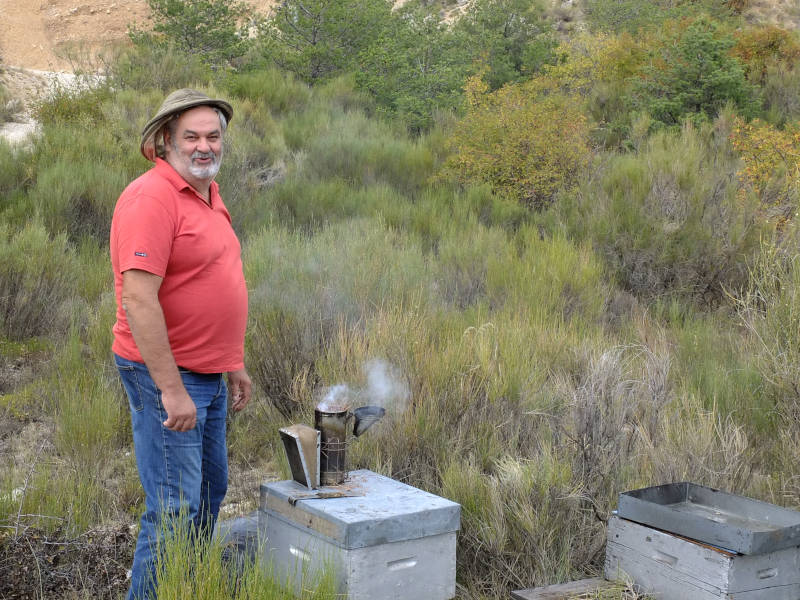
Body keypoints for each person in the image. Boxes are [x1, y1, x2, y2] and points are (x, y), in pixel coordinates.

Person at [110, 89, 251, 600]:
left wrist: (232, 362)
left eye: (212, 136)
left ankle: (180, 588)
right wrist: (171, 390)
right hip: (167, 377)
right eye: (190, 136)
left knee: (210, 493)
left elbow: (214, 281)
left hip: (208, 374)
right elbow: (139, 299)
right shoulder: (153, 197)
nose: (203, 146)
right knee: (173, 508)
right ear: (165, 141)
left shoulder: (208, 194)